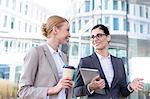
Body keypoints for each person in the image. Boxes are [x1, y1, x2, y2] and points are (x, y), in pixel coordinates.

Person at [73, 24, 144, 99]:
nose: (95, 39)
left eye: (99, 35)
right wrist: (91, 87)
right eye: (92, 37)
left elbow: (123, 91)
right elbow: (76, 91)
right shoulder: (85, 62)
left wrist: (130, 86)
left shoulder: (119, 62)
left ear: (108, 37)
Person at [18, 15, 73, 99]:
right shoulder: (35, 52)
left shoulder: (63, 56)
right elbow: (23, 91)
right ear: (55, 30)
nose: (69, 34)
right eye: (67, 30)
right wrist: (52, 90)